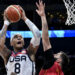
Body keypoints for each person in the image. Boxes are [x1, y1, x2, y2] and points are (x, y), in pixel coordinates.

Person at [0, 6, 41, 75]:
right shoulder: (8, 55)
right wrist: (6, 24)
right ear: (11, 43)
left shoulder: (29, 52)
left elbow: (37, 35)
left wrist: (25, 18)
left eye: (21, 37)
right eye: (16, 37)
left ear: (24, 42)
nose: (19, 38)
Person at [36, 0, 69, 75]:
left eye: (56, 54)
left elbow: (45, 40)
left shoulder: (52, 63)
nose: (53, 54)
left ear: (59, 60)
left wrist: (43, 16)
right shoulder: (61, 73)